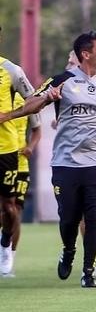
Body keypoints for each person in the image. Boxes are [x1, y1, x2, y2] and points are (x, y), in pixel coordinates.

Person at [0, 30, 96, 288]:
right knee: (69, 218)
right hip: (66, 162)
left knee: (94, 215)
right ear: (86, 54)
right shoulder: (62, 80)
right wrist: (16, 112)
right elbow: (34, 101)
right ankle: (68, 250)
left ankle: (88, 272)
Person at [0, 25, 36, 276]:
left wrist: (9, 115)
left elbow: (34, 99)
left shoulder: (11, 70)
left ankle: (5, 247)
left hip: (7, 149)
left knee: (10, 208)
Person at [10, 94, 41, 271]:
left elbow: (37, 129)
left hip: (20, 165)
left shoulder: (26, 101)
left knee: (15, 211)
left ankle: (9, 258)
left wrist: (30, 146)